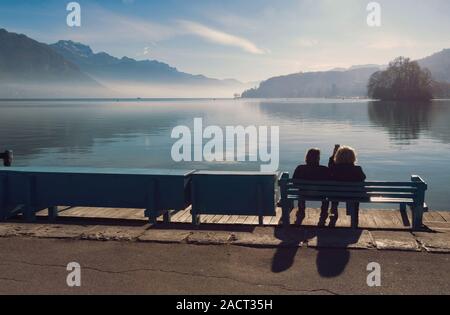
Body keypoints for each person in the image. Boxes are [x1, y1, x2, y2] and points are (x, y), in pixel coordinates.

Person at [293, 148, 331, 225]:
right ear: (318, 158)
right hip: (321, 195)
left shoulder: (300, 168)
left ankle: (301, 211)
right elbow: (329, 183)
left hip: (304, 194)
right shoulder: (324, 169)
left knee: (301, 191)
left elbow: (294, 183)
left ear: (307, 157)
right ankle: (323, 214)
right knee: (326, 193)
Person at [329, 146, 366, 220]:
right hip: (353, 195)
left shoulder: (334, 168)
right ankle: (354, 219)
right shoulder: (357, 169)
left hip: (336, 195)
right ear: (353, 157)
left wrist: (333, 155)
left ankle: (334, 210)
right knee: (355, 193)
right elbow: (363, 178)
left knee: (334, 190)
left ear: (338, 156)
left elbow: (330, 166)